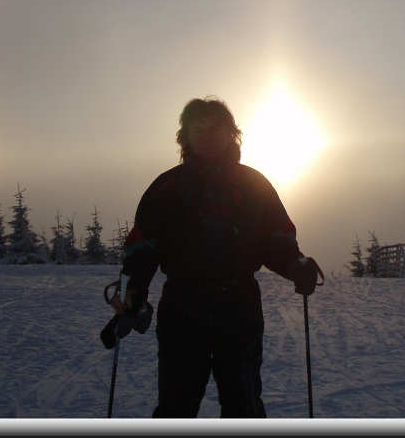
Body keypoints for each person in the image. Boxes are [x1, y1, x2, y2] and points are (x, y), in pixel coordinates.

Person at [111, 96, 322, 418]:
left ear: (231, 134)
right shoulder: (167, 188)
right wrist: (133, 295)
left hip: (239, 308)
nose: (207, 134)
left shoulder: (254, 185)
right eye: (199, 128)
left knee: (244, 406)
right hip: (183, 307)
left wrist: (296, 266)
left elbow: (276, 240)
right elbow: (142, 249)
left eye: (216, 127)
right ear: (186, 136)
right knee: (176, 407)